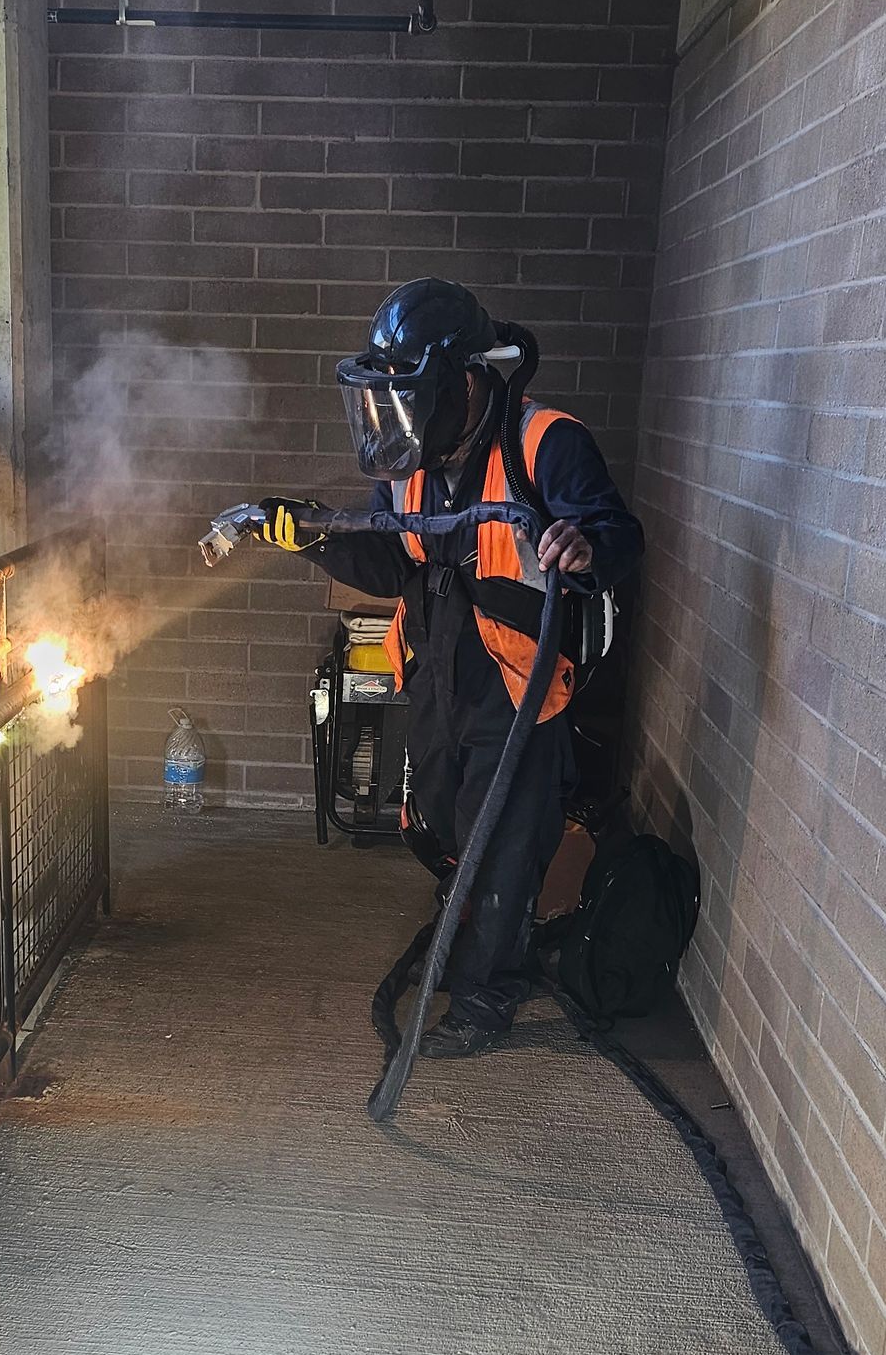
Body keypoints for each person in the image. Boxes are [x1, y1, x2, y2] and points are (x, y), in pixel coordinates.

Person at [250, 278, 642, 1057]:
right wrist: (311, 536)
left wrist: (585, 546)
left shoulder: (546, 443)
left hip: (517, 682)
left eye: (411, 397)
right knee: (444, 816)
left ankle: (486, 998)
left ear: (463, 384)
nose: (397, 417)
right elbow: (393, 560)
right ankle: (475, 928)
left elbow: (617, 535)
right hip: (437, 669)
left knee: (504, 839)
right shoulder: (411, 459)